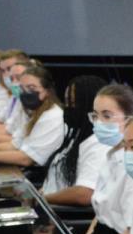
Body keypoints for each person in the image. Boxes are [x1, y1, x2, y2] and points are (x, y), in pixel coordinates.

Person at [0, 64, 65, 170]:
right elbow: (14, 145)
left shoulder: (52, 116)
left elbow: (26, 159)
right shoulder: (33, 111)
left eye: (31, 88)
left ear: (47, 91)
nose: (26, 93)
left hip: (38, 173)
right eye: (22, 88)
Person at [82, 83, 133, 234]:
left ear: (130, 120)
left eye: (107, 116)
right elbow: (99, 216)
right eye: (95, 116)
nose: (98, 123)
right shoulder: (111, 155)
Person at [42, 75, 108, 206]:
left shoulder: (98, 143)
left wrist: (44, 199)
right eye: (66, 102)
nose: (68, 108)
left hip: (61, 213)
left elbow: (84, 194)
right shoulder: (76, 135)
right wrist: (36, 196)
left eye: (73, 103)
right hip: (48, 205)